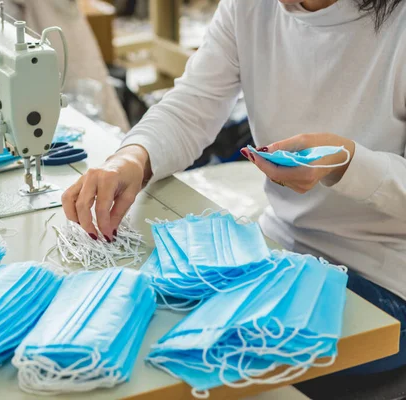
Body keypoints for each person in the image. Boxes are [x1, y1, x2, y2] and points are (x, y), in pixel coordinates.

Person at [62, 0, 406, 375]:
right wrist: (132, 158)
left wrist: (348, 162)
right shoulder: (251, 7)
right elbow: (192, 105)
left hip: (386, 276)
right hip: (279, 248)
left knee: (187, 360)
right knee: (136, 318)